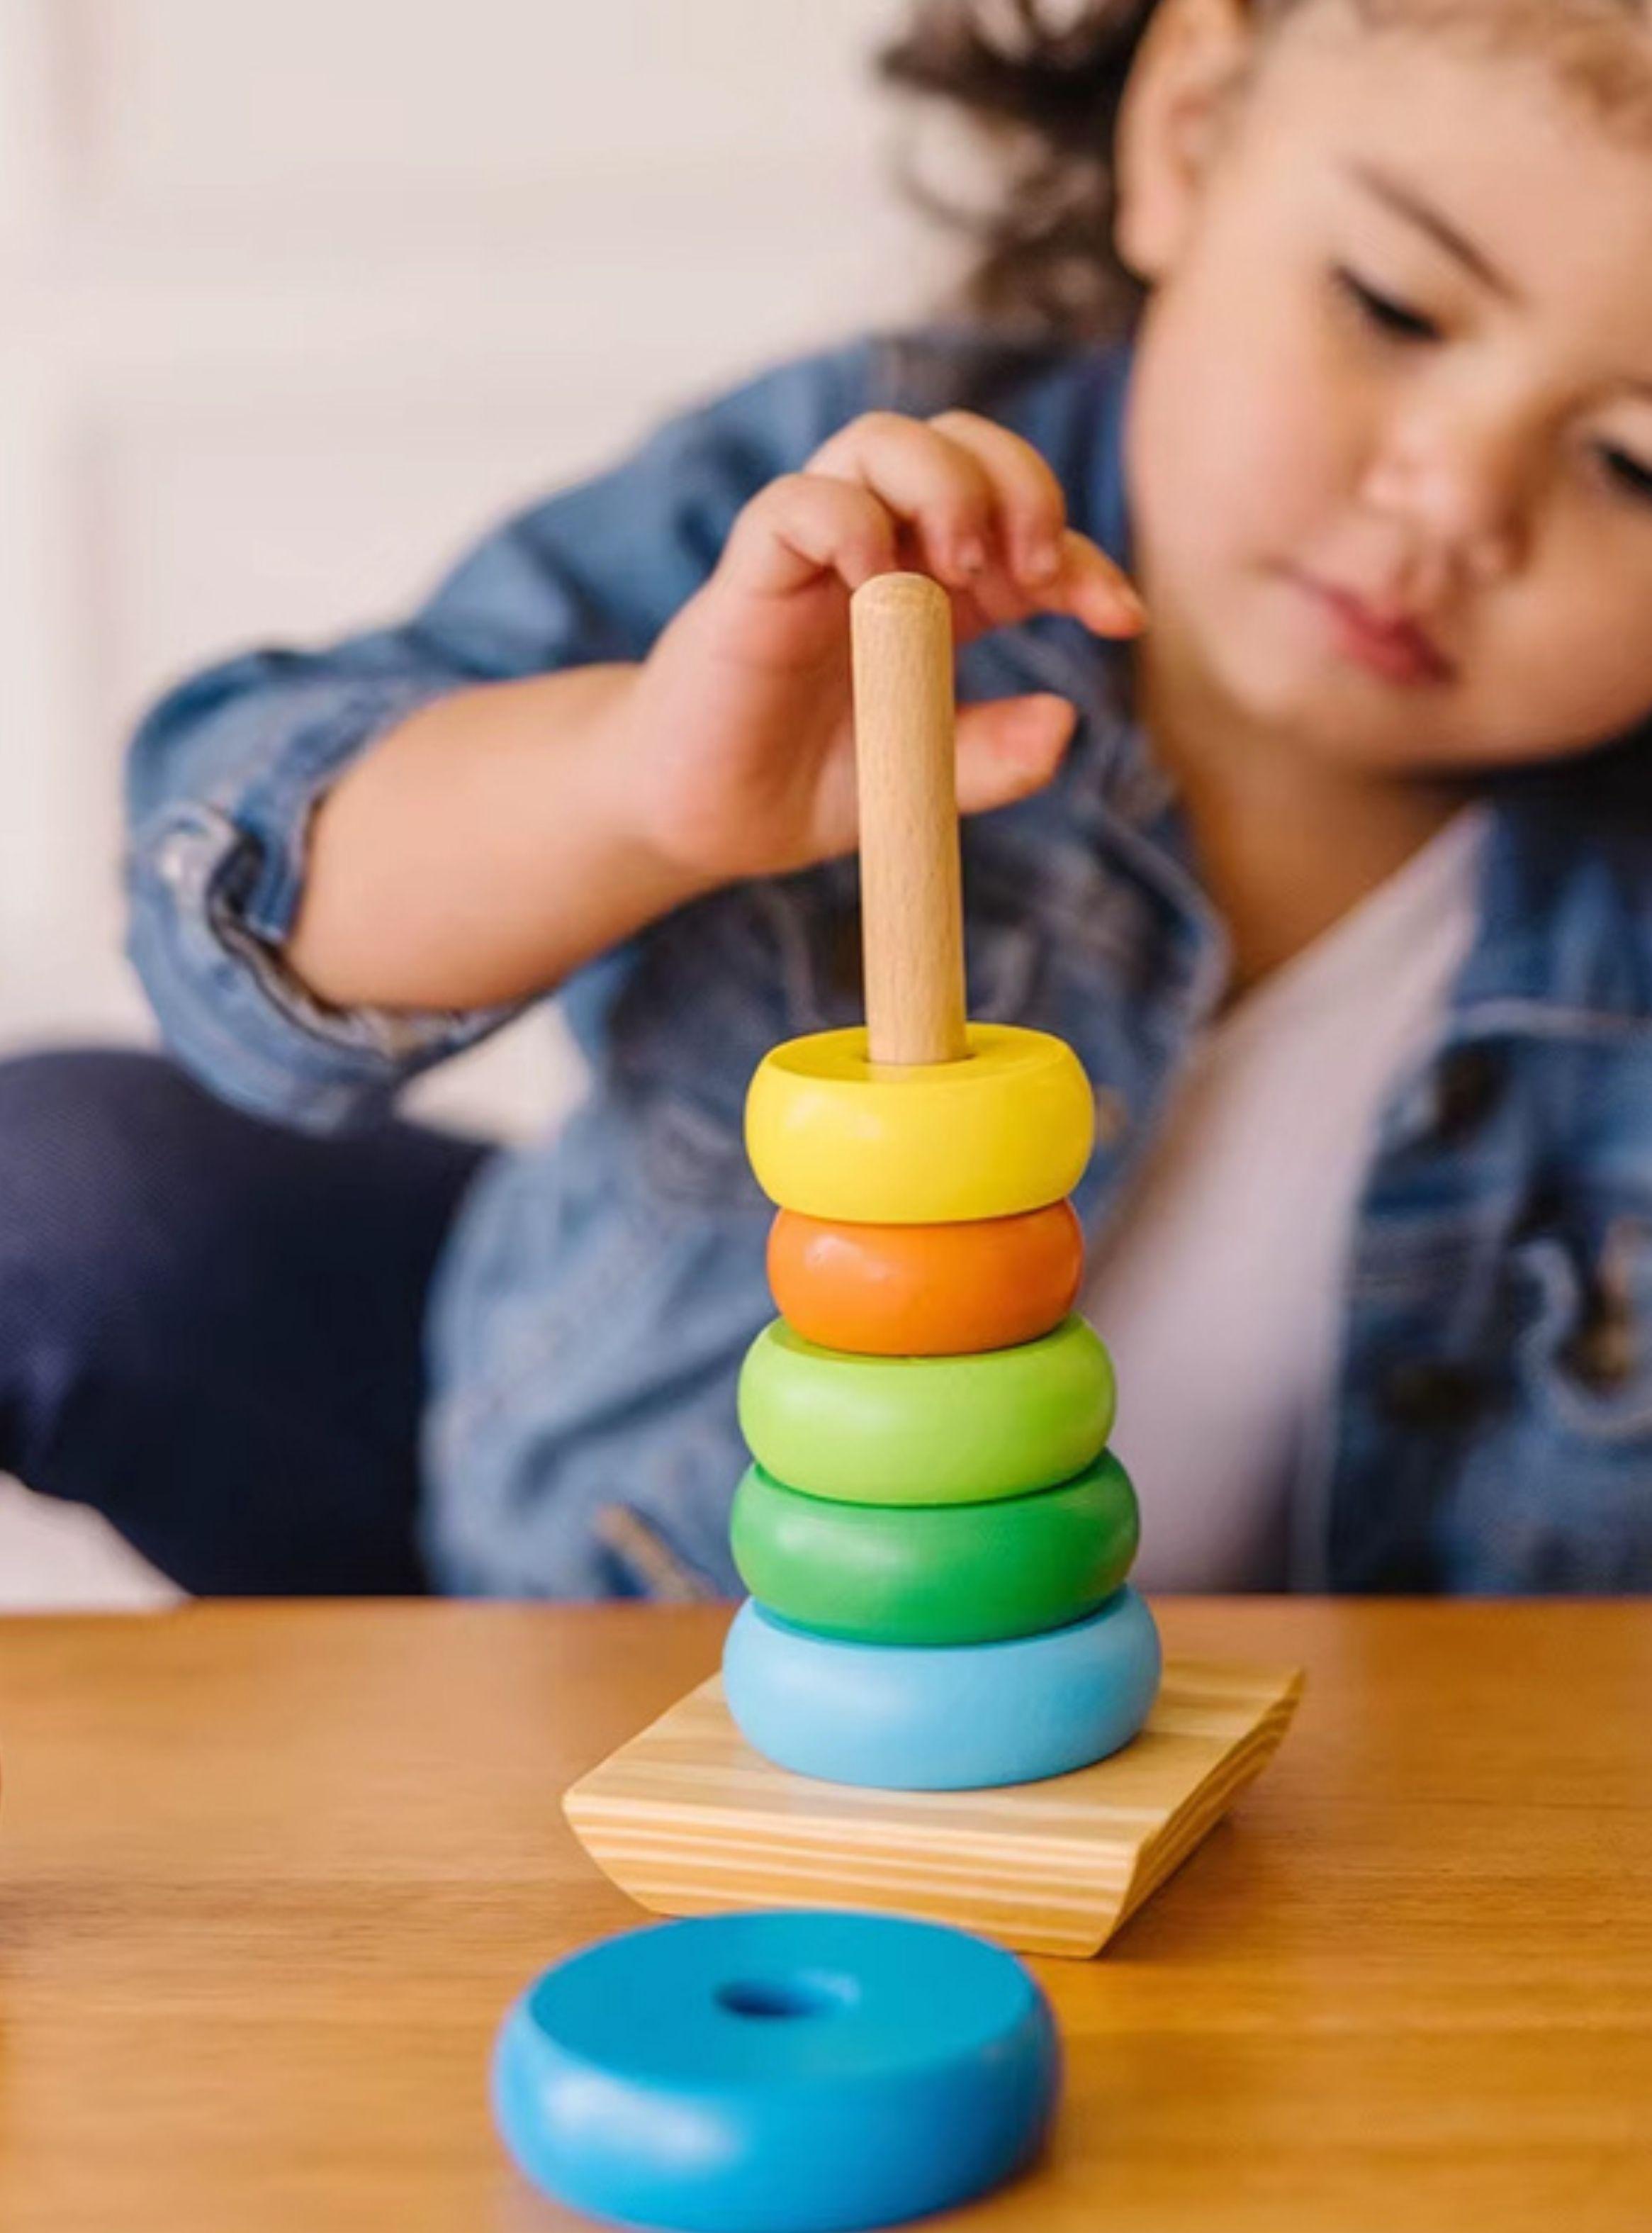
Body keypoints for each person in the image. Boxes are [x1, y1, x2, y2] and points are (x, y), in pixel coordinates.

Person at [3, 0, 1650, 1597]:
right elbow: (247, 901)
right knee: (63, 1185)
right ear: (1189, 130)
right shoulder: (848, 512)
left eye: (1632, 463)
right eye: (1389, 305)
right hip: (601, 1578)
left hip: (1319, 1727)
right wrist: (631, 789)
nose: (1446, 499)